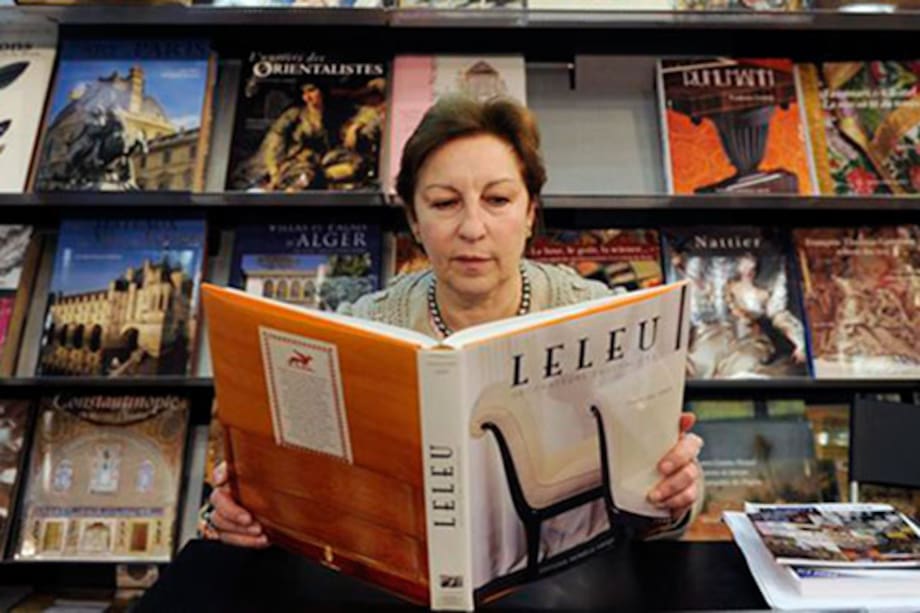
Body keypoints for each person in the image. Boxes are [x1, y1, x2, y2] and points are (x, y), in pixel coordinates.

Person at [205, 95, 705, 550]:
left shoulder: (601, 317)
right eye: (445, 204)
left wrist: (676, 496)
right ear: (415, 222)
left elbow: (661, 509)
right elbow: (293, 486)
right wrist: (238, 513)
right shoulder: (363, 327)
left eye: (498, 200)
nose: (471, 228)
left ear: (531, 212)